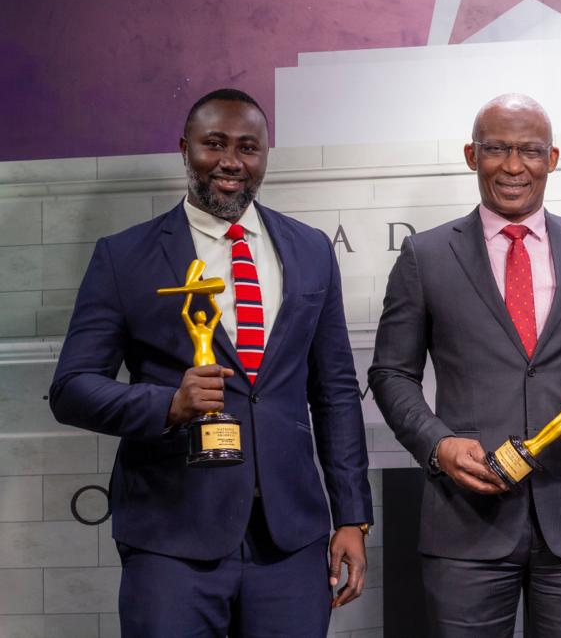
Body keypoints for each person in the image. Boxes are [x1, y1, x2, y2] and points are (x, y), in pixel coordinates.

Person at [49, 88, 373, 637]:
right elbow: (72, 388)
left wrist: (351, 515)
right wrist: (168, 406)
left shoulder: (311, 249)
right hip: (171, 536)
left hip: (290, 538)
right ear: (184, 149)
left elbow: (336, 391)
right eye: (214, 144)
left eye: (248, 147)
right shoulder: (124, 256)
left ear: (265, 156)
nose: (230, 161)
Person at [368, 93, 561, 637]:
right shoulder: (425, 256)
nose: (514, 166)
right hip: (465, 520)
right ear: (472, 155)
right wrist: (437, 444)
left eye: (530, 151)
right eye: (497, 149)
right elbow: (390, 373)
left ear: (554, 158)